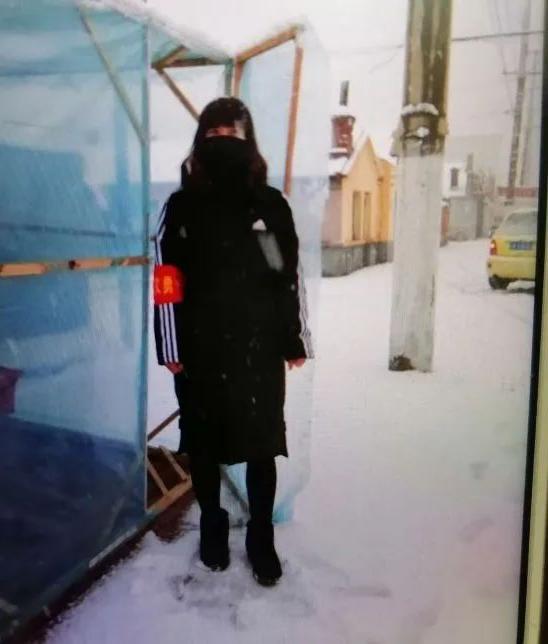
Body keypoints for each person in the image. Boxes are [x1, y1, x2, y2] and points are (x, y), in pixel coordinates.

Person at [153, 97, 313, 586]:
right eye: (214, 133)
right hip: (199, 349)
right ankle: (213, 527)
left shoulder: (267, 205)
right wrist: (170, 345)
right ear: (201, 139)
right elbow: (166, 278)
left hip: (257, 348)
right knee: (203, 445)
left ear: (249, 140)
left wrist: (293, 337)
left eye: (232, 133)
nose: (223, 141)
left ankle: (261, 536)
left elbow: (284, 274)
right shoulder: (181, 206)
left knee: (262, 445)